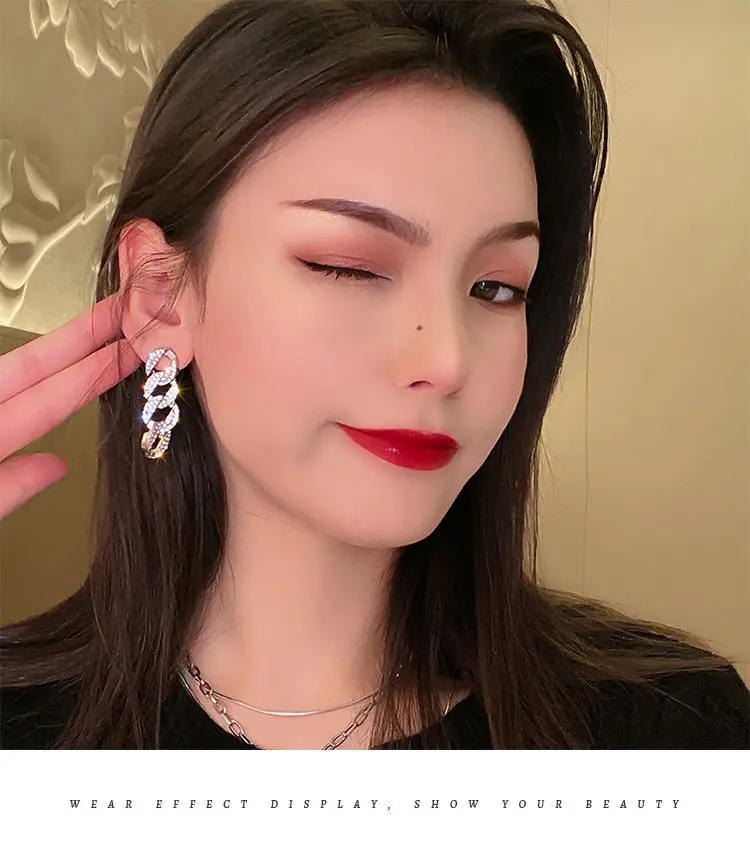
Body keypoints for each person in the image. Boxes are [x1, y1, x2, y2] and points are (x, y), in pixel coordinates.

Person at [0, 0, 747, 751]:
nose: (446, 360)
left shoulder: (673, 732)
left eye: (495, 288)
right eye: (349, 267)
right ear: (162, 294)